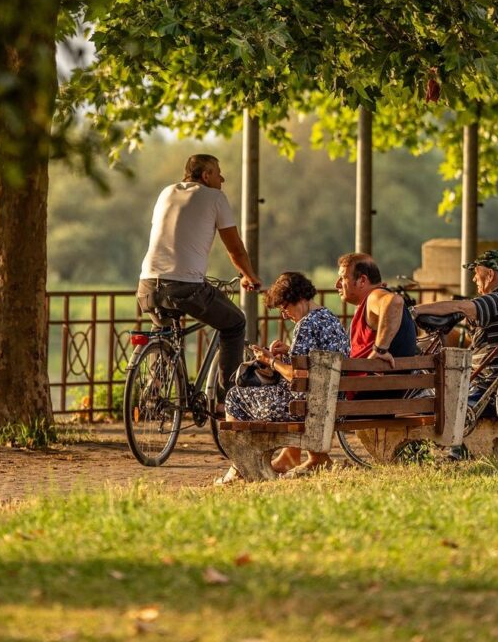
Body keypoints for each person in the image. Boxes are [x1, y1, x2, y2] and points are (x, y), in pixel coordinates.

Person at [137, 154, 261, 395]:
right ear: (206, 175)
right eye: (218, 172)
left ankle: (155, 386)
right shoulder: (215, 197)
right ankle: (227, 398)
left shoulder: (167, 192)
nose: (222, 178)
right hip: (186, 287)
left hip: (148, 283)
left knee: (165, 329)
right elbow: (235, 249)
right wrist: (249, 276)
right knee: (235, 323)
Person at [218, 271, 349, 482]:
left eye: (284, 307)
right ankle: (292, 456)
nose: (284, 315)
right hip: (335, 404)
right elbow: (317, 363)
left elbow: (297, 377)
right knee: (266, 391)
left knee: (235, 396)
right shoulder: (330, 318)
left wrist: (269, 361)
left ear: (298, 298)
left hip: (307, 408)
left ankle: (241, 465)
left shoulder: (305, 324)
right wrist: (288, 352)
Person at [412, 249, 498, 406]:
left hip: (487, 391)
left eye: (476, 273)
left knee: (420, 398)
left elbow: (460, 306)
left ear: (491, 275)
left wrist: (415, 310)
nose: (474, 279)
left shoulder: (494, 300)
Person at [335, 253, 417, 368]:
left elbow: (395, 302)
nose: (337, 284)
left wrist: (380, 350)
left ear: (362, 280)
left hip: (368, 383)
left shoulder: (374, 296)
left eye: (343, 278)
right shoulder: (369, 300)